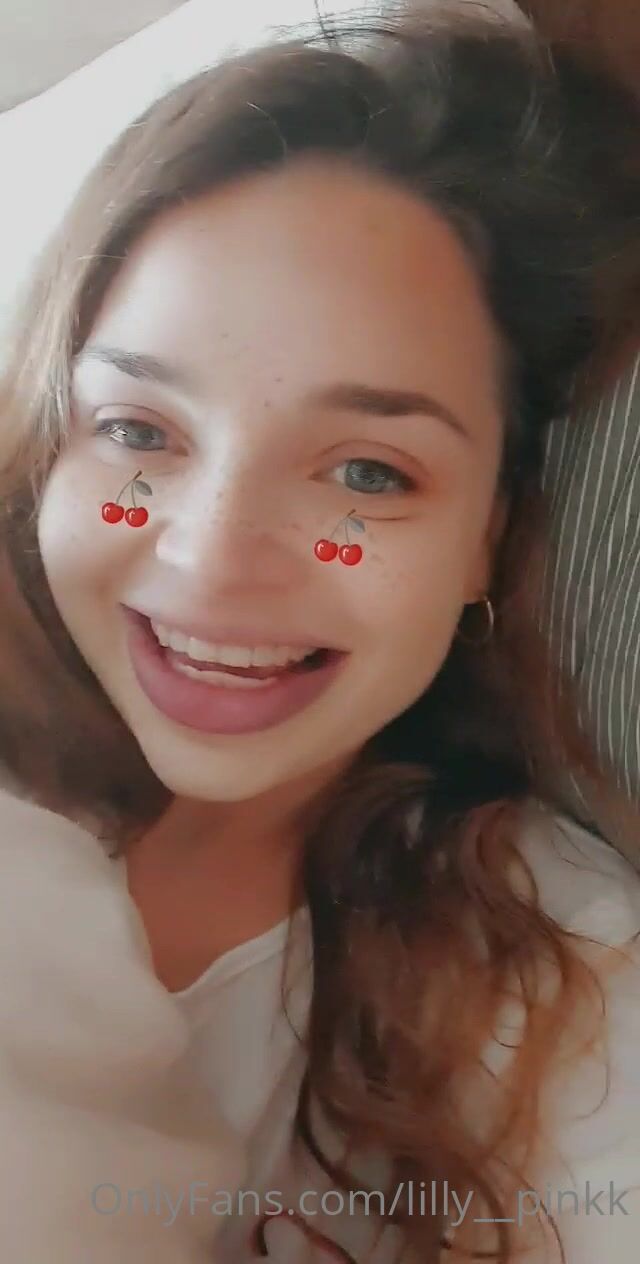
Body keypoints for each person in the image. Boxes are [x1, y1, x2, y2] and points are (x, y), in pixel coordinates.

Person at [0, 4, 639, 1261]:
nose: (212, 561)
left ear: (488, 538)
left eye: (366, 473)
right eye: (138, 431)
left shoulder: (568, 977)